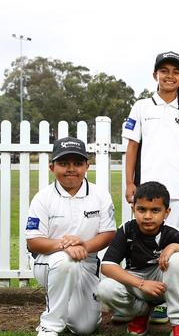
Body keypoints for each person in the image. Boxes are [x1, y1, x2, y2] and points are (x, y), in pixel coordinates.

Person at [122, 51, 179, 323]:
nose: (169, 76)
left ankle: (169, 304)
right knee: (143, 250)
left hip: (177, 194)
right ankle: (143, 303)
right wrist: (130, 182)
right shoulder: (142, 107)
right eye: (164, 70)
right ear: (155, 74)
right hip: (146, 194)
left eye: (176, 72)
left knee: (172, 249)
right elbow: (132, 145)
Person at [25, 137, 116, 336]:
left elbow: (109, 233)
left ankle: (66, 306)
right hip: (49, 262)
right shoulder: (43, 197)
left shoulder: (100, 195)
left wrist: (84, 246)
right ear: (52, 167)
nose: (71, 169)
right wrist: (65, 247)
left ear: (87, 166)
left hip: (87, 263)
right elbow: (33, 242)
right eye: (63, 163)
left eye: (77, 163)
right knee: (66, 262)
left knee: (84, 328)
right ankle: (50, 325)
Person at [97, 181, 179, 336]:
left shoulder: (172, 233)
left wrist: (176, 247)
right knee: (105, 289)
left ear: (166, 212)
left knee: (178, 260)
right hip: (138, 283)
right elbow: (107, 266)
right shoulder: (127, 229)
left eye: (155, 210)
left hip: (164, 283)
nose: (148, 216)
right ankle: (141, 312)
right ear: (133, 209)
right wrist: (142, 284)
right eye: (141, 209)